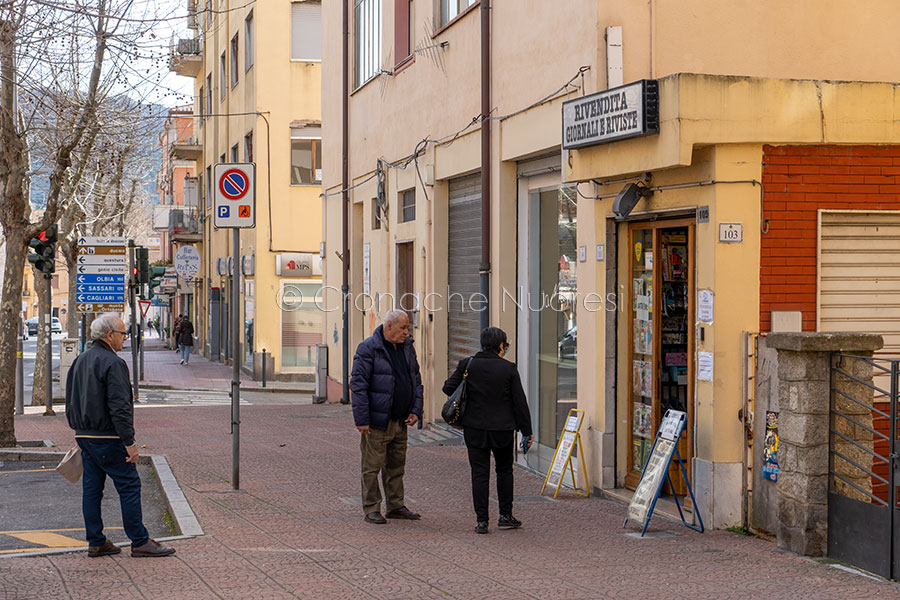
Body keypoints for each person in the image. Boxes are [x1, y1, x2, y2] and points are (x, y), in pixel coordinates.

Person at [65, 313, 175, 558]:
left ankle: (96, 540)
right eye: (123, 333)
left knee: (92, 490)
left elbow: (70, 398)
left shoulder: (80, 359)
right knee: (129, 485)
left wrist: (77, 429)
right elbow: (120, 406)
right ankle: (139, 540)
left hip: (85, 435)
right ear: (109, 335)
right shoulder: (113, 363)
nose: (125, 338)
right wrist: (129, 442)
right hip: (109, 437)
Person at [443, 326, 533, 534]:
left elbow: (448, 388)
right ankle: (505, 515)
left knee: (479, 473)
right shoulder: (508, 368)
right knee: (504, 470)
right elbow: (519, 402)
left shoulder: (468, 364)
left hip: (474, 428)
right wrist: (526, 431)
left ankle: (482, 521)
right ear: (501, 345)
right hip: (502, 429)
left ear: (482, 344)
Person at [350, 310, 423, 525]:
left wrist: (416, 410)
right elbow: (358, 385)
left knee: (396, 466)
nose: (406, 332)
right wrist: (362, 419)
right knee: (371, 467)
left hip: (400, 420)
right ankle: (372, 508)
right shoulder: (368, 348)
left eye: (407, 327)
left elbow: (416, 381)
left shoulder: (407, 348)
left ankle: (396, 506)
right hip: (377, 421)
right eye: (403, 328)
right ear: (388, 326)